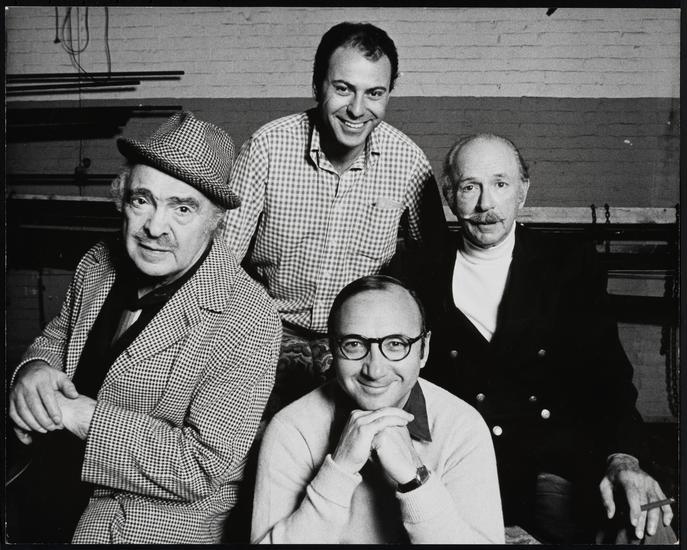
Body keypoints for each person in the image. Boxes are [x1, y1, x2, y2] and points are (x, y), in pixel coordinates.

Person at [6, 111, 282, 544]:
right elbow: (60, 334)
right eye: (142, 200)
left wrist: (79, 415)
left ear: (216, 220)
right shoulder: (99, 261)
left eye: (182, 208)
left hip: (145, 520)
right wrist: (34, 369)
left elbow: (200, 466)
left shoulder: (249, 316)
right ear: (123, 199)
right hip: (47, 480)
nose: (154, 227)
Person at [422, 133, 675, 543]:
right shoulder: (418, 271)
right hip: (463, 471)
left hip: (559, 466)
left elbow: (608, 376)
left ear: (523, 192)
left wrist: (625, 459)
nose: (486, 204)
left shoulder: (568, 264)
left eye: (500, 184)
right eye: (470, 187)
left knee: (652, 525)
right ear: (450, 195)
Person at [221, 22, 447, 413]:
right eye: (343, 89)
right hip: (268, 329)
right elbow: (220, 264)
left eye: (374, 93)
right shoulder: (267, 147)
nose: (357, 110)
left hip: (359, 344)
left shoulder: (408, 162)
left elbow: (435, 269)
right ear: (317, 85)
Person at [250, 275, 504, 544]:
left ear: (424, 349)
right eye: (354, 344)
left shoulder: (462, 427)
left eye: (396, 344)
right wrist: (339, 471)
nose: (375, 370)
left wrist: (416, 481)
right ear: (332, 348)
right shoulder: (291, 429)